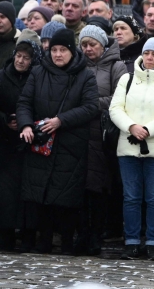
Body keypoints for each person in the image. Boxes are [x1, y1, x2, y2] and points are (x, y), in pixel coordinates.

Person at [16, 28, 98, 255]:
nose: (58, 54)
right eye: (54, 50)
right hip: (41, 142)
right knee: (39, 195)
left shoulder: (85, 75)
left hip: (70, 144)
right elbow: (25, 102)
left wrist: (61, 120)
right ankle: (43, 240)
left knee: (66, 197)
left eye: (63, 50)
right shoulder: (38, 72)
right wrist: (25, 125)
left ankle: (67, 243)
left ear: (72, 51)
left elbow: (91, 106)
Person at [108, 37, 154, 261]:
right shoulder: (127, 79)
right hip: (128, 146)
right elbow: (115, 108)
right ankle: (131, 242)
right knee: (131, 197)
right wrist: (131, 127)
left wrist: (147, 130)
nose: (150, 58)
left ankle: (153, 242)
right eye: (147, 53)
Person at [79, 24, 128, 256]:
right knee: (80, 186)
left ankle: (97, 235)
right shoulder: (77, 65)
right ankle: (81, 234)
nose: (88, 49)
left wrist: (89, 106)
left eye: (92, 45)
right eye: (84, 45)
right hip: (79, 131)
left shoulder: (116, 66)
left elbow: (119, 97)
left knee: (99, 186)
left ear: (102, 45)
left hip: (103, 133)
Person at [0, 37, 41, 252]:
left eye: (26, 58)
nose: (21, 61)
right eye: (18, 56)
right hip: (6, 143)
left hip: (30, 142)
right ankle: (5, 235)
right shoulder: (3, 76)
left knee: (28, 194)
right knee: (6, 193)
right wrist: (6, 119)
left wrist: (27, 122)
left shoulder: (38, 78)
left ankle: (28, 236)